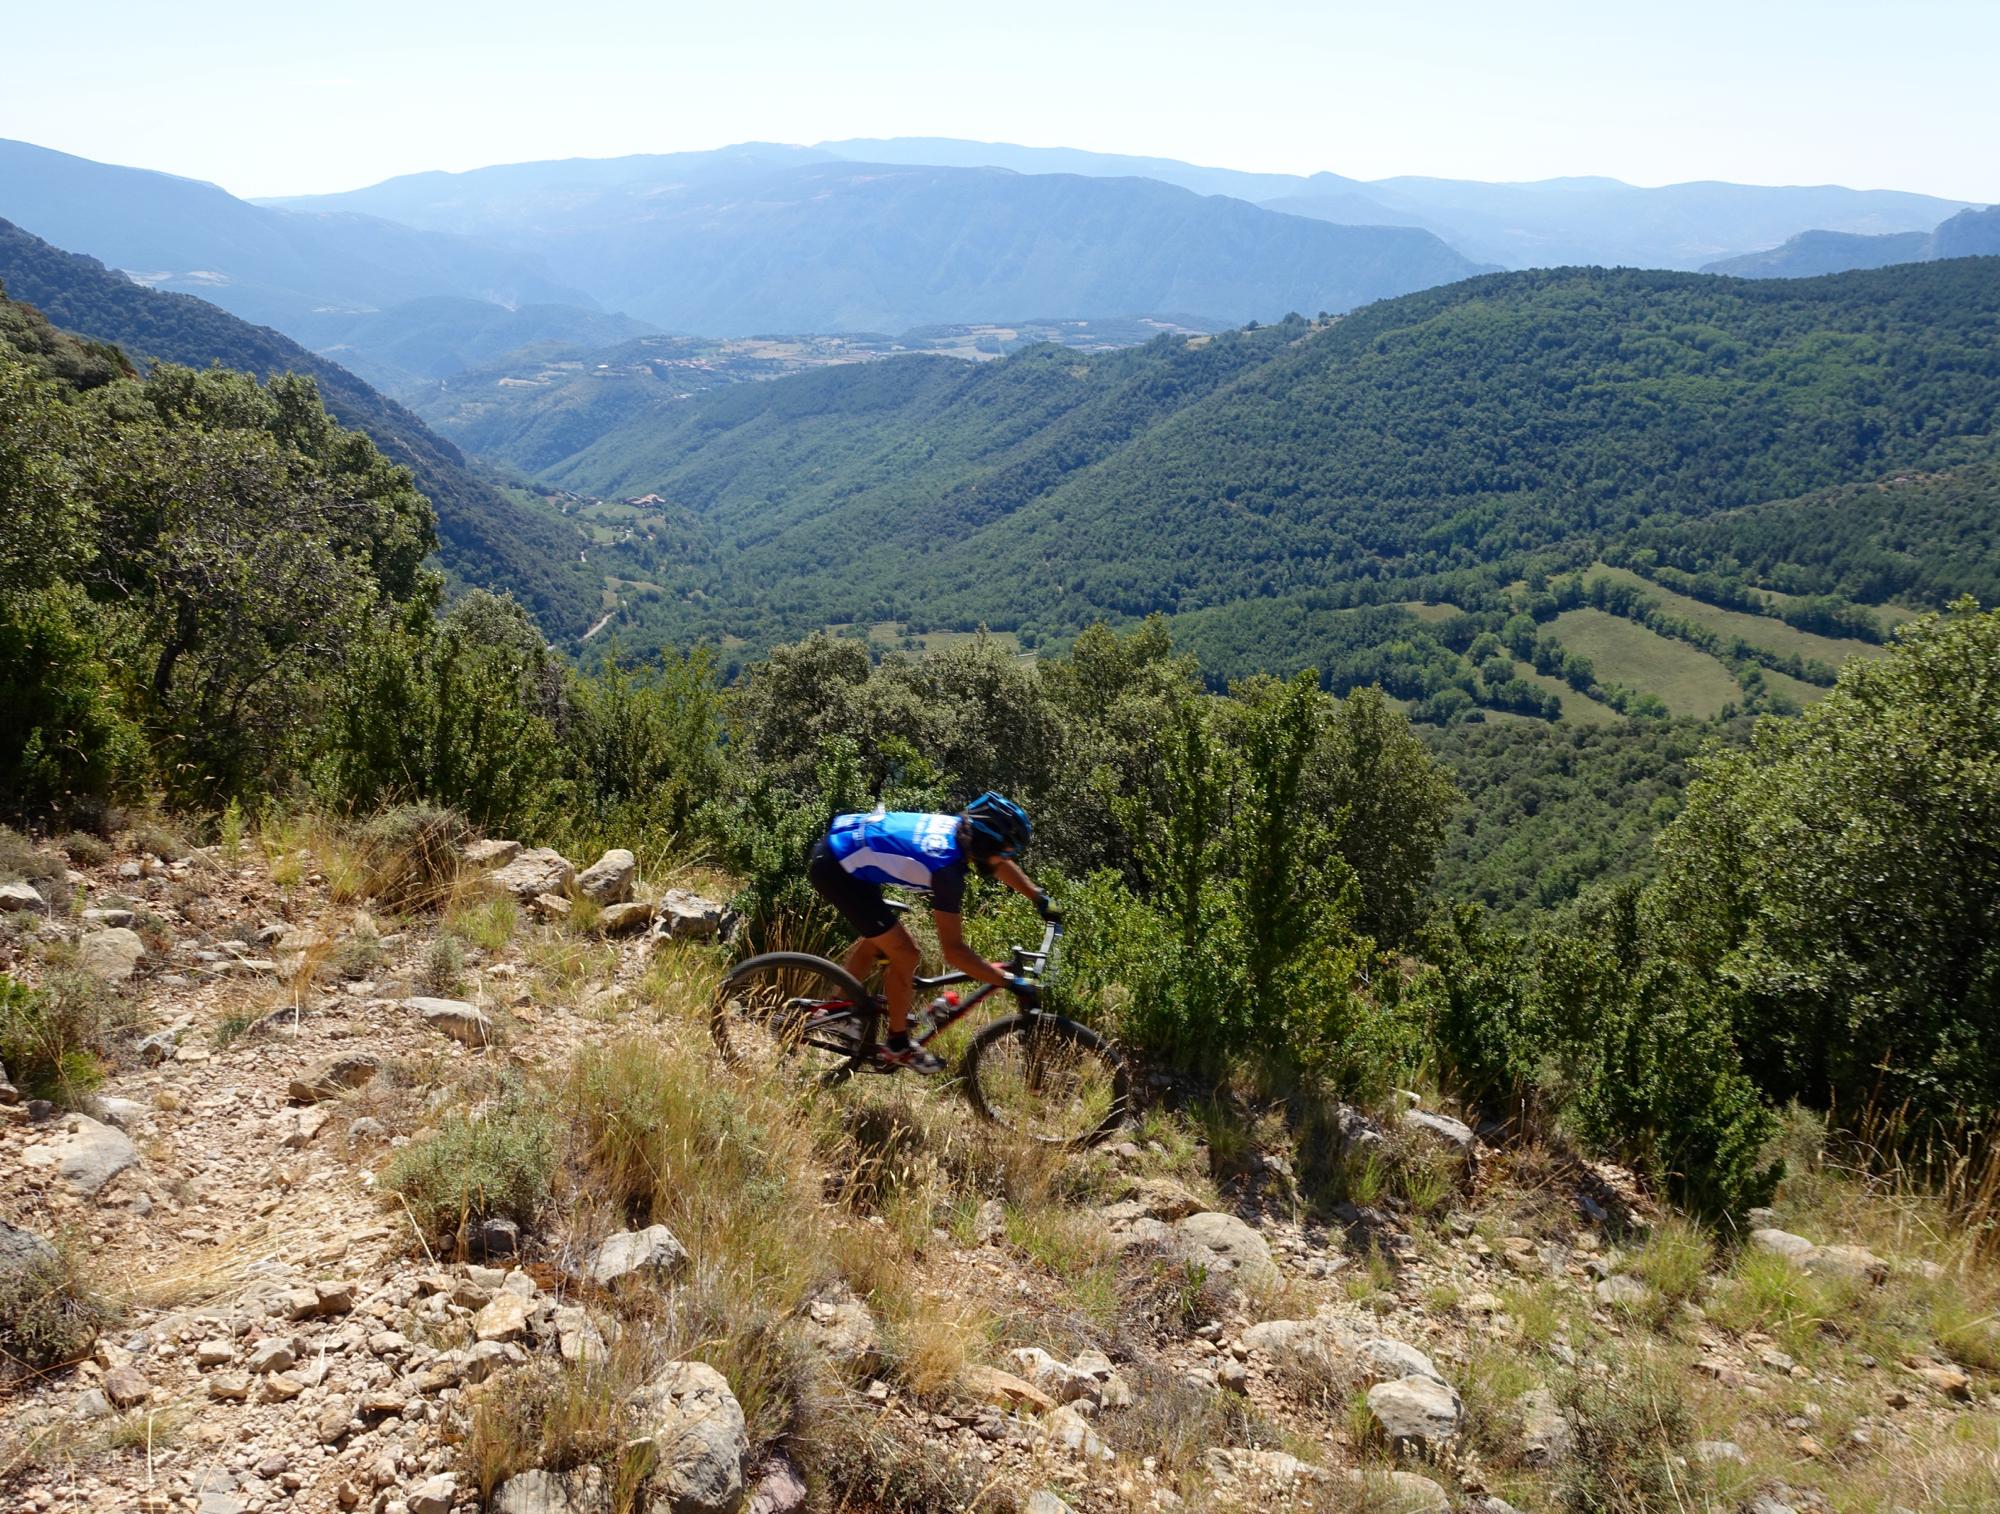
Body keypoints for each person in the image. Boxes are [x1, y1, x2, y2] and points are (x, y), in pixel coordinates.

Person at [808, 791, 1060, 1072]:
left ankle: (838, 1008)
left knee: (881, 940)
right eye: (1001, 853)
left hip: (845, 849)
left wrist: (1038, 896)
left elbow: (998, 863)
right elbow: (954, 952)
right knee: (905, 953)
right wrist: (1010, 982)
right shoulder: (947, 871)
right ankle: (897, 1045)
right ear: (985, 847)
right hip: (837, 868)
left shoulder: (960, 831)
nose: (1003, 860)